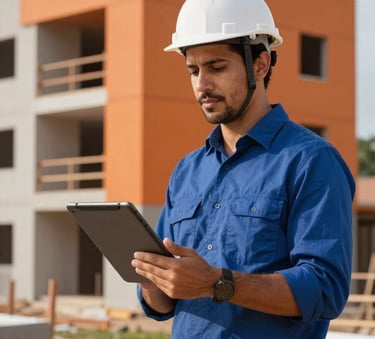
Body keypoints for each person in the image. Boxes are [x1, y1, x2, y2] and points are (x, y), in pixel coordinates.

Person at [131, 0, 355, 337]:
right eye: (193, 70)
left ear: (260, 64)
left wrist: (217, 284)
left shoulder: (311, 161)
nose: (201, 84)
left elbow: (325, 288)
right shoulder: (187, 171)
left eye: (216, 67)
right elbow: (163, 304)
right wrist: (153, 279)